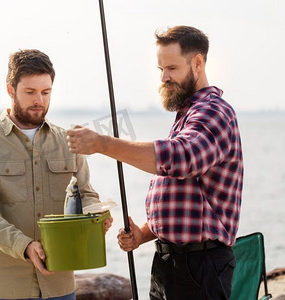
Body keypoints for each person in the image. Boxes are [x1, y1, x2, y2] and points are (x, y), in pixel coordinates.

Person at [66, 26, 243, 299]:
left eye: (171, 67)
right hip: (169, 264)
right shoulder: (188, 115)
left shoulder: (214, 111)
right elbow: (189, 202)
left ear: (197, 63)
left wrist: (102, 144)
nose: (164, 77)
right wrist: (144, 234)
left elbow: (182, 158)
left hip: (199, 267)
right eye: (160, 69)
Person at [0, 49, 112, 300]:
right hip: (3, 288)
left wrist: (96, 215)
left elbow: (84, 194)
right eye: (30, 92)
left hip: (60, 287)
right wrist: (25, 246)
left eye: (46, 92)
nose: (39, 100)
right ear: (11, 90)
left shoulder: (69, 142)